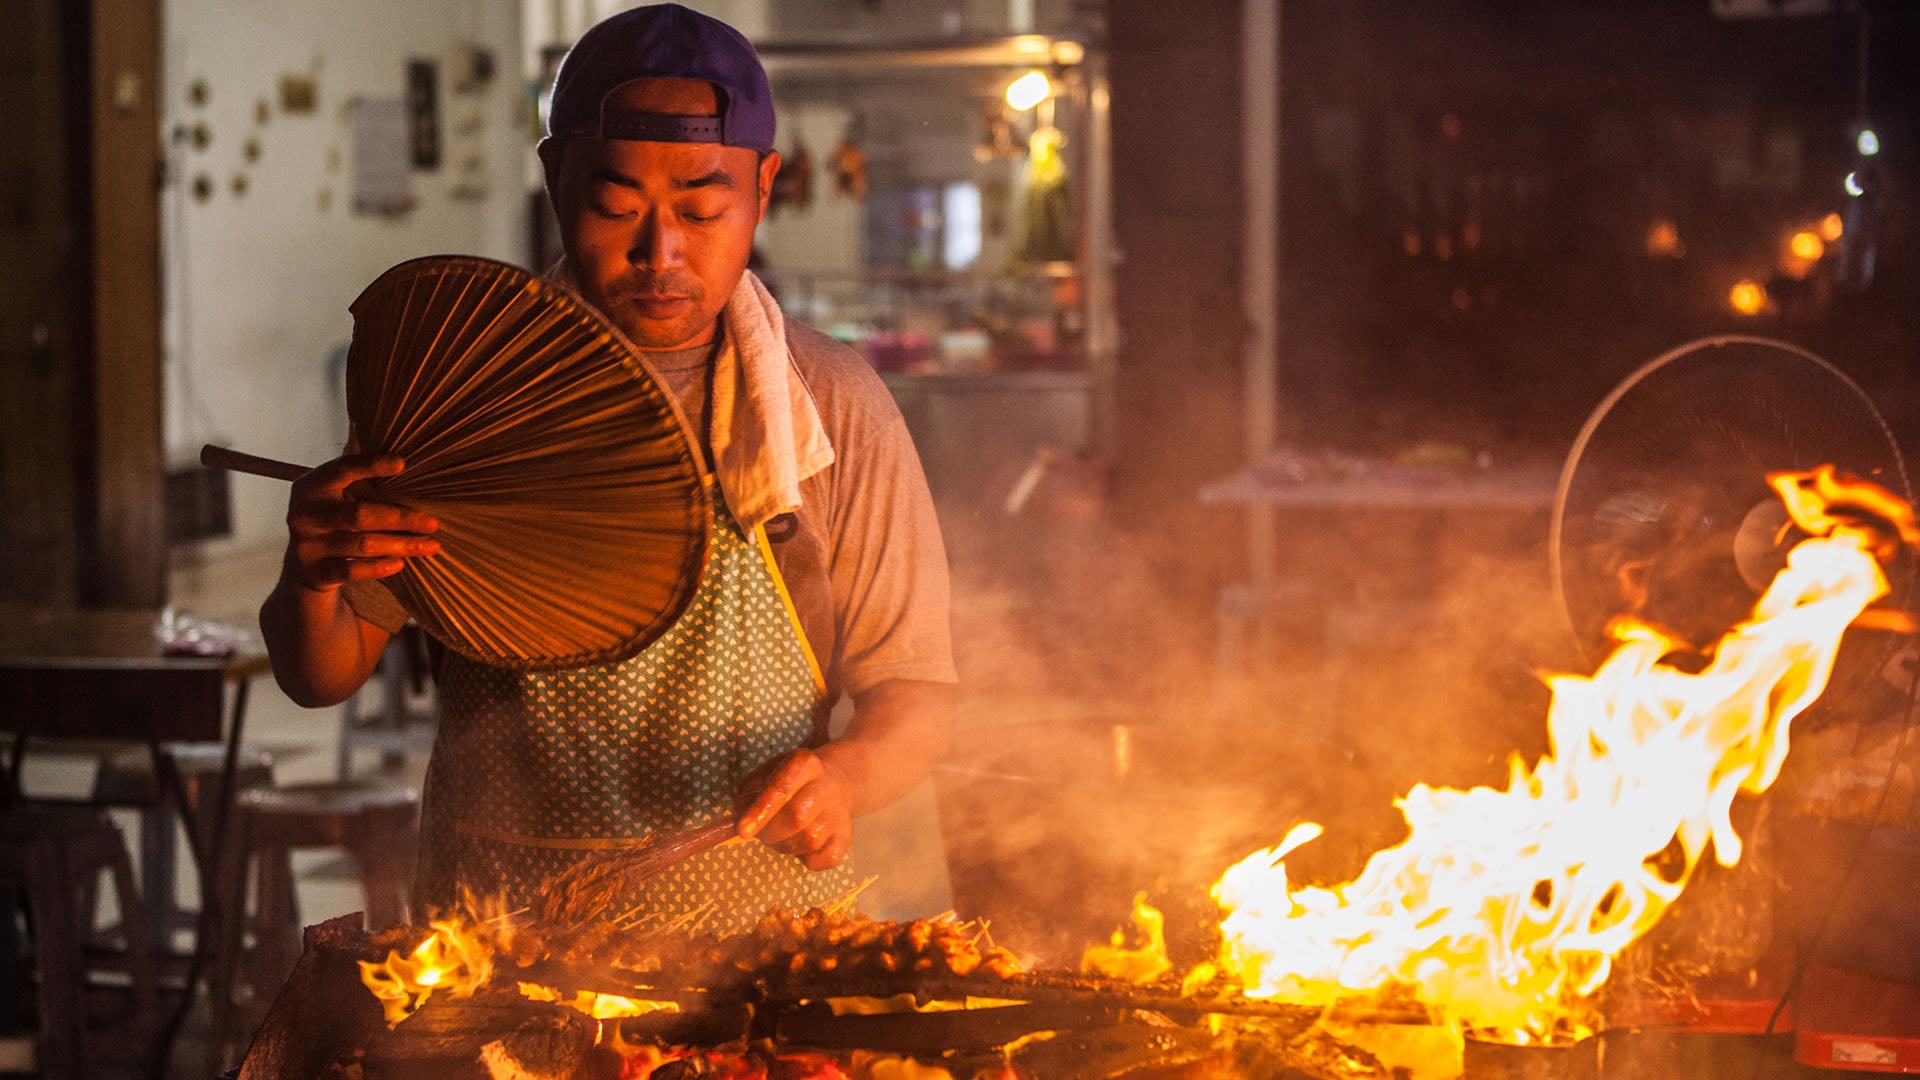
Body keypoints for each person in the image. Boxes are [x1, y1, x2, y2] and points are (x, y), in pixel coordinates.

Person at [259, 3, 956, 932]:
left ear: (763, 188)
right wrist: (311, 576)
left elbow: (913, 697)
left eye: (703, 209)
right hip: (501, 943)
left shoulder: (827, 407)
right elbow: (324, 673)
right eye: (616, 206)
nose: (660, 254)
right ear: (555, 181)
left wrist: (843, 777)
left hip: (757, 950)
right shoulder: (468, 390)